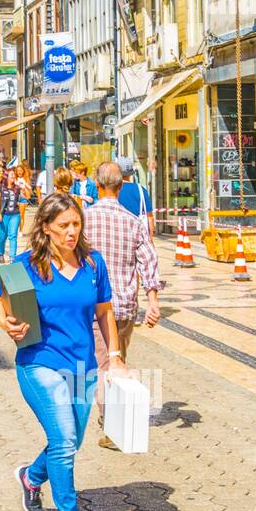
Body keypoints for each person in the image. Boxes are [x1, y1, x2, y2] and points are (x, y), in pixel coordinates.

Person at [0, 191, 126, 511]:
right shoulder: (25, 265)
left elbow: (105, 312)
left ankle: (31, 478)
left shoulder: (93, 264)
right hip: (39, 362)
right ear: (46, 227)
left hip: (82, 366)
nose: (71, 232)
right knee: (64, 441)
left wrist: (115, 355)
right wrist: (7, 324)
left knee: (70, 442)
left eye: (76, 224)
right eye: (64, 225)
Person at [86, 161, 162, 449]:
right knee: (117, 359)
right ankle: (116, 421)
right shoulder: (134, 222)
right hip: (126, 306)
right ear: (120, 186)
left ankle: (112, 427)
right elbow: (149, 261)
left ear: (96, 184)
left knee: (103, 364)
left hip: (94, 306)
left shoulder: (84, 219)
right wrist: (153, 301)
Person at [115, 157, 155, 235]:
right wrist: (150, 238)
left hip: (118, 232)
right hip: (137, 234)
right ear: (131, 173)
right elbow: (149, 217)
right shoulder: (141, 189)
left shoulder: (113, 190)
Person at [0, 169, 25, 264]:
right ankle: (1, 253)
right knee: (3, 236)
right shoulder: (0, 188)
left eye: (14, 175)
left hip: (15, 215)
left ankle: (12, 257)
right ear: (6, 176)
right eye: (11, 175)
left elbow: (26, 197)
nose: (13, 176)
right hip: (3, 215)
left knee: (13, 236)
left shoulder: (17, 188)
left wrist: (25, 188)